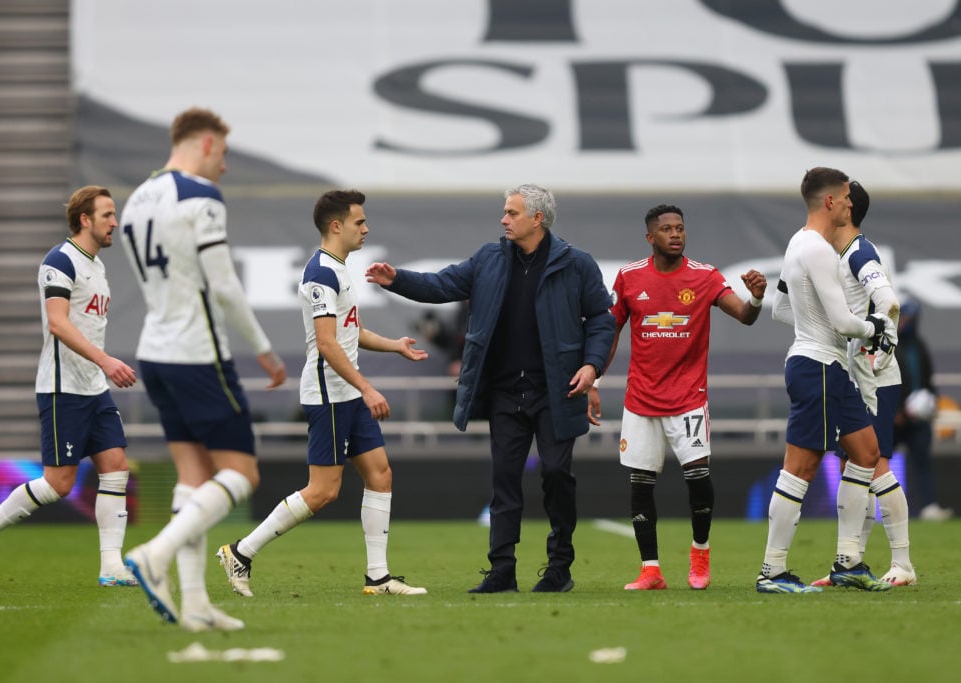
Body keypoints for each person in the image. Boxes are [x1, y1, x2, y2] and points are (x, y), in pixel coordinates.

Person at [366, 184, 615, 593]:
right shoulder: (489, 258)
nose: (503, 219)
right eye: (504, 212)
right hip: (504, 393)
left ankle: (559, 568)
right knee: (504, 481)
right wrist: (397, 280)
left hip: (558, 391)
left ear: (537, 218)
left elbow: (602, 321)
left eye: (512, 213)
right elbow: (442, 285)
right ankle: (502, 571)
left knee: (555, 474)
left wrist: (591, 367)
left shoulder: (577, 264)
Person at [119, 107, 287, 631]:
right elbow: (224, 284)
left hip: (155, 350)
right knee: (242, 473)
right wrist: (264, 348)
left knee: (193, 477)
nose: (226, 168)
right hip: (197, 352)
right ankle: (156, 553)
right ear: (208, 143)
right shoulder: (200, 197)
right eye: (226, 154)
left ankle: (194, 603)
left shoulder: (135, 200)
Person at [216, 189, 428, 597]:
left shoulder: (339, 268)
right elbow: (327, 344)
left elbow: (351, 333)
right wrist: (367, 388)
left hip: (346, 394)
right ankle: (241, 552)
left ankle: (378, 577)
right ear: (337, 226)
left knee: (380, 474)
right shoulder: (320, 274)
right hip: (330, 395)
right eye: (359, 222)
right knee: (323, 491)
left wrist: (395, 346)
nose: (365, 228)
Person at [0, 186, 138, 588]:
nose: (115, 222)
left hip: (92, 388)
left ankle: (111, 566)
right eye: (107, 215)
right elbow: (57, 323)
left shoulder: (97, 266)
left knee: (115, 468)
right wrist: (106, 361)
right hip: (63, 389)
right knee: (59, 483)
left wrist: (100, 369)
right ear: (85, 220)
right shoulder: (60, 261)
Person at [590, 204, 767, 591]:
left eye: (681, 228)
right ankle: (650, 570)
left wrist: (754, 299)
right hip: (641, 400)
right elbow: (610, 328)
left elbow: (743, 314)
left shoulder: (704, 277)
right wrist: (595, 381)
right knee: (640, 484)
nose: (676, 234)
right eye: (667, 229)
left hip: (688, 398)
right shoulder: (630, 277)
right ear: (651, 237)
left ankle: (699, 554)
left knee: (698, 478)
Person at [756, 167, 895, 594]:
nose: (853, 207)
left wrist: (821, 326)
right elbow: (841, 320)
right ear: (831, 201)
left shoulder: (798, 242)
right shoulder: (817, 249)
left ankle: (849, 562)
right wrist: (877, 327)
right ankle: (772, 571)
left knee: (867, 452)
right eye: (848, 200)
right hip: (817, 365)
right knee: (802, 466)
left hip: (823, 364)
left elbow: (780, 309)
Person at [803, 180, 915, 587]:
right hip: (855, 376)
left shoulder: (860, 253)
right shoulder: (842, 255)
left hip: (875, 378)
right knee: (854, 468)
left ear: (845, 209)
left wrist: (884, 346)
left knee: (874, 463)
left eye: (837, 198)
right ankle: (847, 562)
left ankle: (903, 564)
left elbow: (888, 301)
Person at [895, 296, 954, 521]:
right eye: (902, 317)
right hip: (895, 417)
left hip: (919, 418)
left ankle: (929, 507)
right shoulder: (889, 345)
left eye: (909, 318)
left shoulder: (919, 346)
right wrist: (895, 411)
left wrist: (931, 403)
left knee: (923, 462)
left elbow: (927, 380)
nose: (904, 322)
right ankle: (872, 508)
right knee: (878, 461)